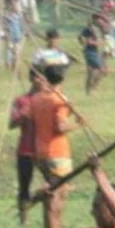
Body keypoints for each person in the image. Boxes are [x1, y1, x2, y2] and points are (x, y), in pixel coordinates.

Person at [31, 65, 81, 195]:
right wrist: (79, 125)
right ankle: (37, 194)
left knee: (51, 192)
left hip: (40, 151)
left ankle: (42, 191)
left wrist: (69, 110)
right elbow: (60, 127)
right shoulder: (59, 100)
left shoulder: (37, 98)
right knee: (60, 192)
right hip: (57, 152)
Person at [9, 69, 41, 224]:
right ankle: (24, 220)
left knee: (54, 185)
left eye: (43, 78)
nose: (41, 81)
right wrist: (23, 115)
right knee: (24, 186)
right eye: (37, 77)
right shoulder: (21, 100)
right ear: (31, 79)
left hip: (45, 151)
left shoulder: (51, 99)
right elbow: (11, 124)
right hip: (26, 150)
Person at [78, 14, 106, 95]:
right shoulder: (90, 29)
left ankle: (88, 90)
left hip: (97, 52)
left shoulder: (98, 29)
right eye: (98, 19)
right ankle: (93, 88)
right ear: (94, 19)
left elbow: (80, 37)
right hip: (91, 52)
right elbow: (87, 41)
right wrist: (96, 43)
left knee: (91, 71)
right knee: (101, 70)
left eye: (100, 19)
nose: (100, 20)